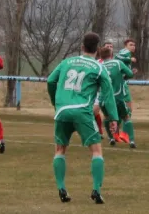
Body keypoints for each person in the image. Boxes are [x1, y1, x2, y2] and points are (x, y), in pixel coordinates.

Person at [47, 32, 119, 204]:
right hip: (82, 112)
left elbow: (50, 81)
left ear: (82, 47)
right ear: (98, 49)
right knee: (96, 150)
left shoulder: (67, 62)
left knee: (60, 150)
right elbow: (108, 95)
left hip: (62, 111)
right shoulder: (98, 67)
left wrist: (55, 103)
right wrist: (113, 117)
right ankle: (96, 190)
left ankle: (61, 188)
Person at [101, 46, 137, 148]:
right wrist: (126, 75)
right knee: (126, 117)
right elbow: (129, 74)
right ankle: (131, 141)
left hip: (104, 98)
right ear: (111, 55)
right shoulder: (118, 63)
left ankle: (111, 138)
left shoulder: (99, 65)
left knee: (107, 117)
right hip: (117, 97)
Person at [93, 40, 115, 138]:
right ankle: (99, 131)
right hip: (100, 92)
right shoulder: (97, 62)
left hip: (114, 91)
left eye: (111, 46)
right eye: (107, 46)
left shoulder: (117, 62)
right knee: (95, 111)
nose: (109, 48)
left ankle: (114, 134)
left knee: (113, 114)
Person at [115, 39, 137, 113]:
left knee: (122, 103)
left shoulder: (126, 52)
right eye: (130, 45)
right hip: (120, 81)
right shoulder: (125, 51)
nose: (133, 47)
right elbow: (117, 57)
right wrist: (129, 59)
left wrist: (131, 72)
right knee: (128, 103)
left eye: (134, 45)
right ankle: (127, 120)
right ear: (125, 46)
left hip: (121, 80)